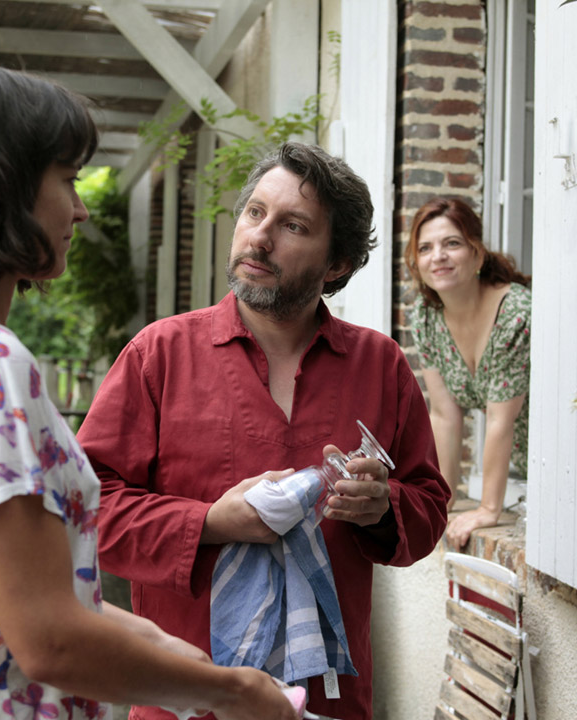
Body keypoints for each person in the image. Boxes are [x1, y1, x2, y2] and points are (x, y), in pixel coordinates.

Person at [0, 60, 298, 720]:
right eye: (66, 179)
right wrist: (233, 694)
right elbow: (50, 642)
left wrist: (165, 647)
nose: (81, 207)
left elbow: (14, 598)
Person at [77, 142, 450, 720]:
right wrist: (206, 523)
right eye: (255, 212)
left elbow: (428, 507)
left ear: (337, 265)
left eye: (293, 225)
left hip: (329, 700)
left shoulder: (381, 366)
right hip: (185, 699)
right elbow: (86, 509)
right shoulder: (159, 355)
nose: (260, 236)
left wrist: (383, 507)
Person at [403, 197, 532, 549]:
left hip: (548, 464)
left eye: (452, 244)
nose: (438, 256)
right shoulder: (425, 317)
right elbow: (445, 415)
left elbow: (499, 421)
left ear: (477, 254)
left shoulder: (515, 311)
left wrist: (488, 508)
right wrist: (441, 500)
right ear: (416, 262)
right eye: (425, 248)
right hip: (517, 472)